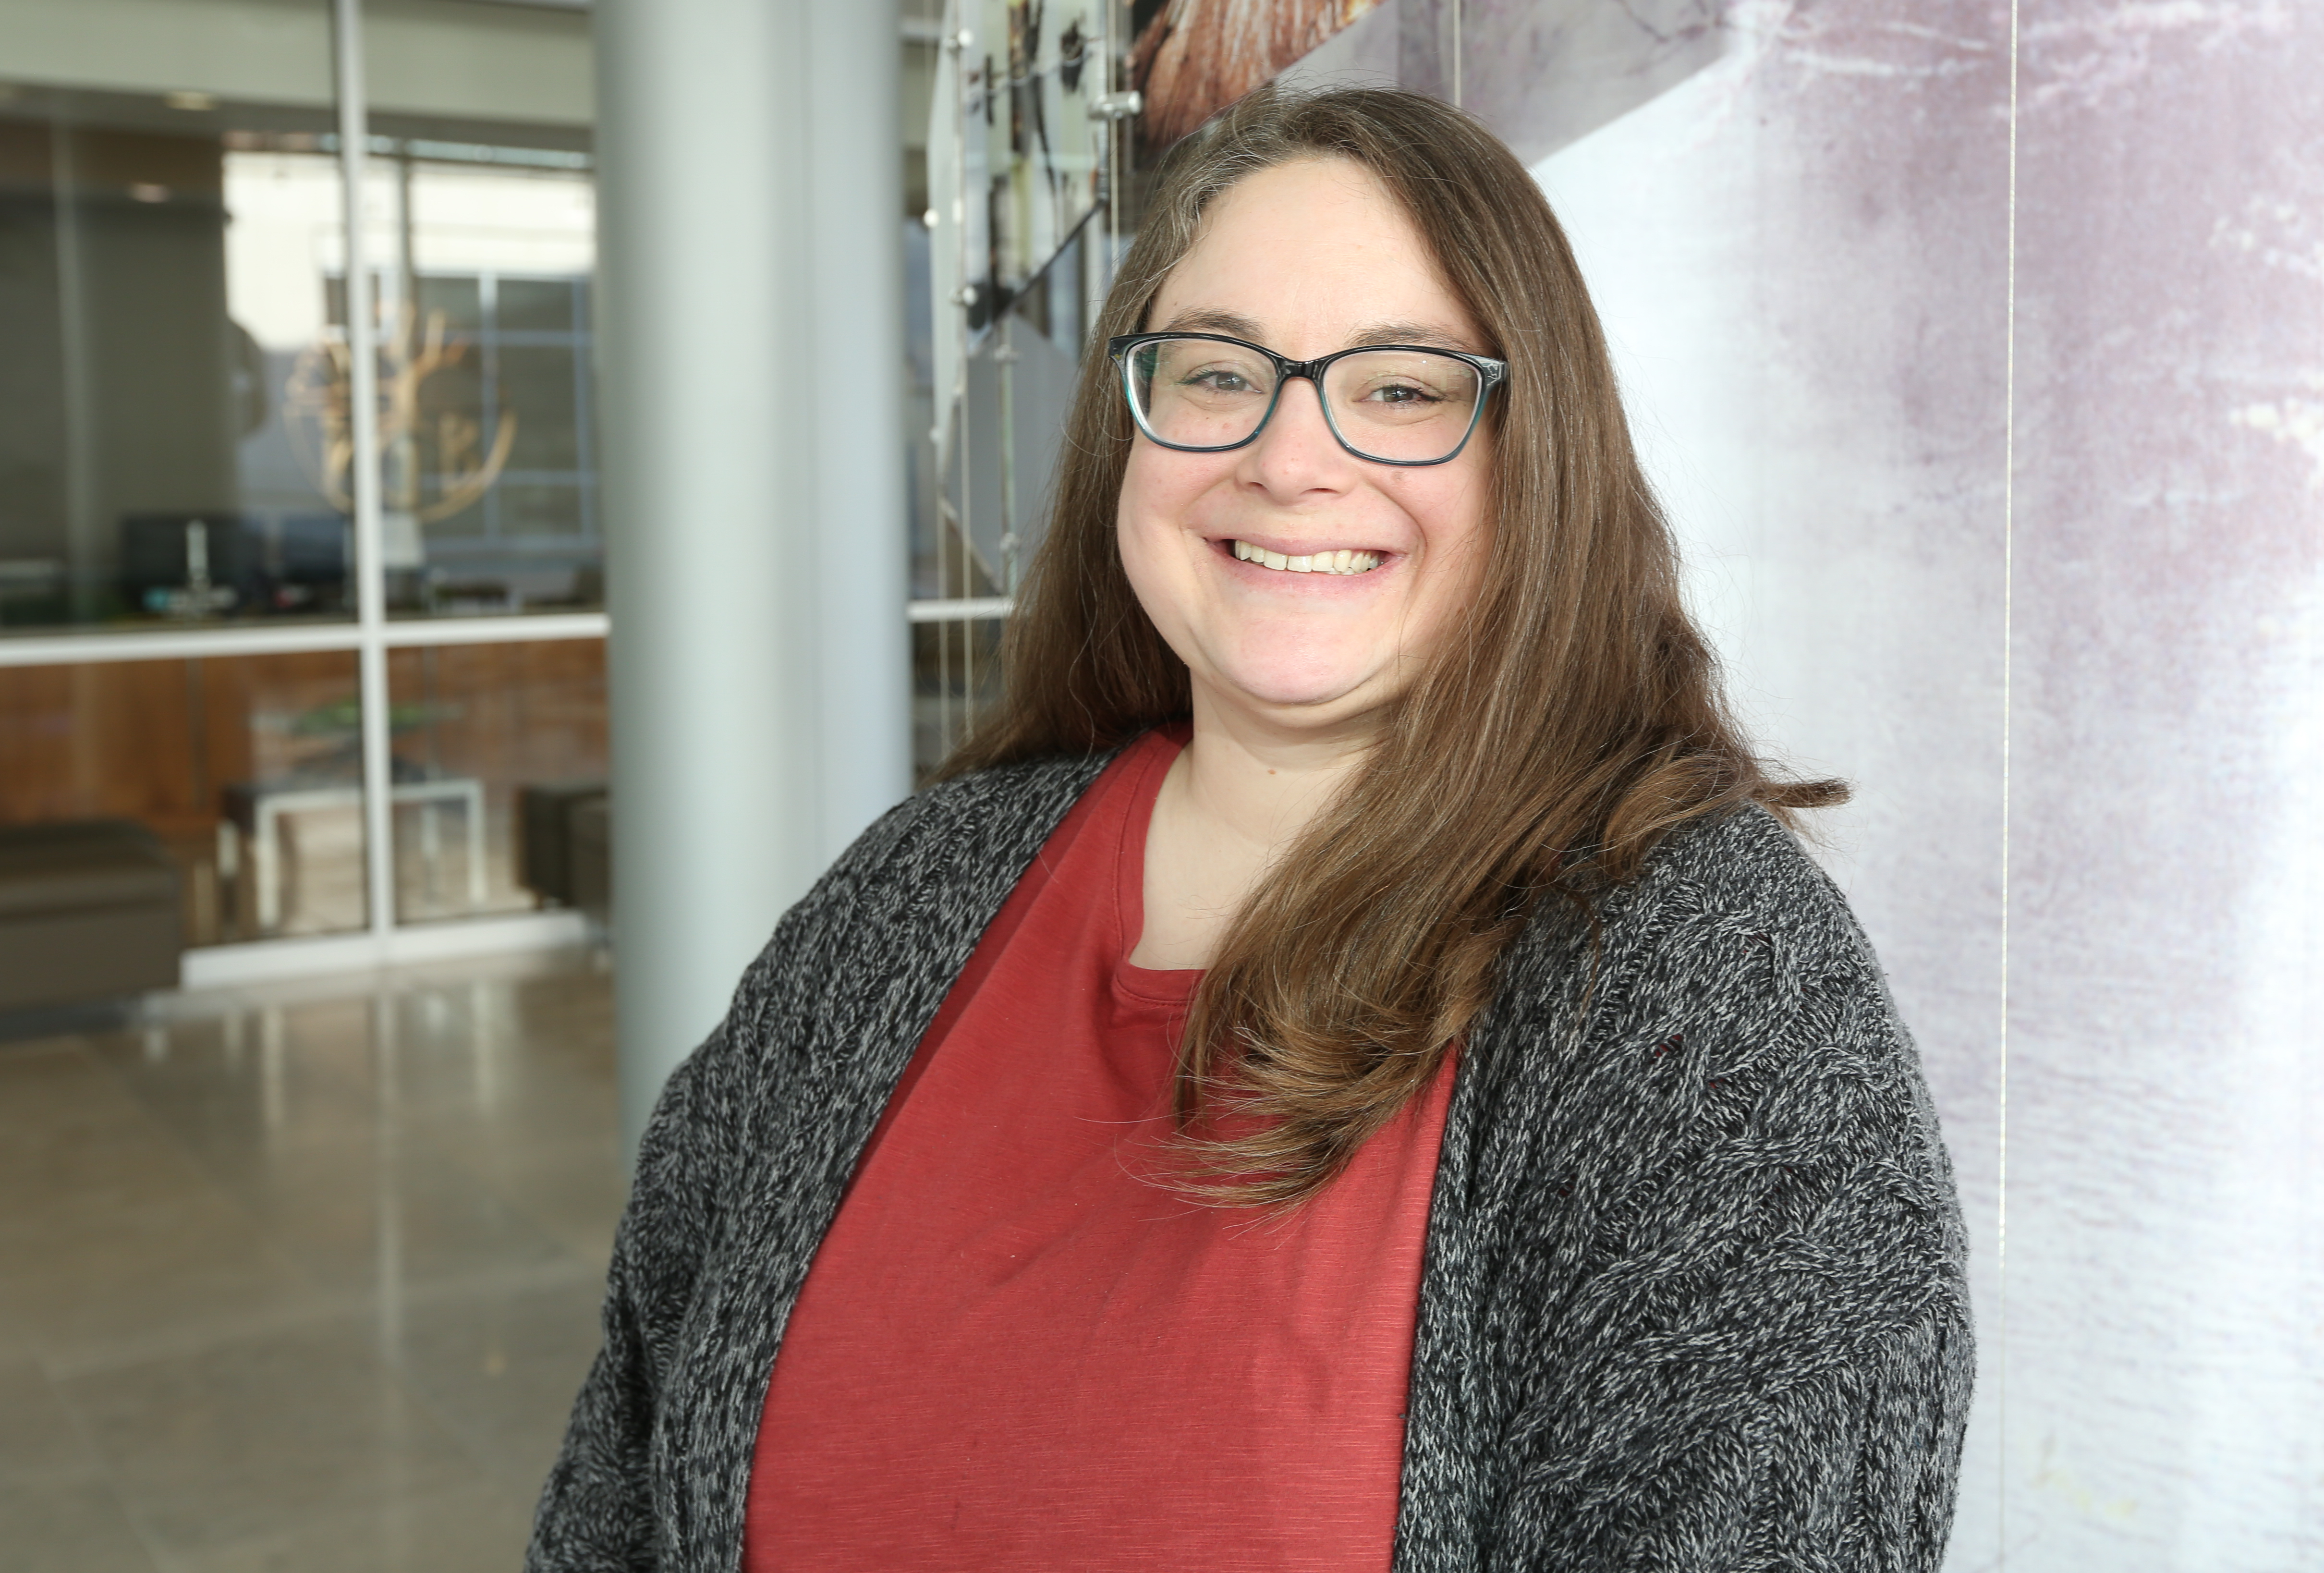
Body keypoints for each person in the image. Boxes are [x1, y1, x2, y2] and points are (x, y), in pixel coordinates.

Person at [528, 85, 1971, 1572]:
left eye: (1402, 388)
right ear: (1128, 425)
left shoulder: (1698, 977)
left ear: (1536, 457)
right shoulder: (915, 887)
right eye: (1219, 373)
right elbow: (619, 1486)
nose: (1290, 460)